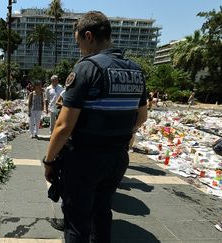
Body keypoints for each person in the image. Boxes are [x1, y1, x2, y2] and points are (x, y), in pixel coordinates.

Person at [43, 11, 148, 243]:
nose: (79, 48)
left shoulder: (87, 68)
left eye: (79, 42)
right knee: (102, 213)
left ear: (88, 36)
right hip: (117, 158)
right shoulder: (135, 71)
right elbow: (141, 117)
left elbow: (63, 126)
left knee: (77, 222)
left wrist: (49, 161)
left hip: (84, 159)